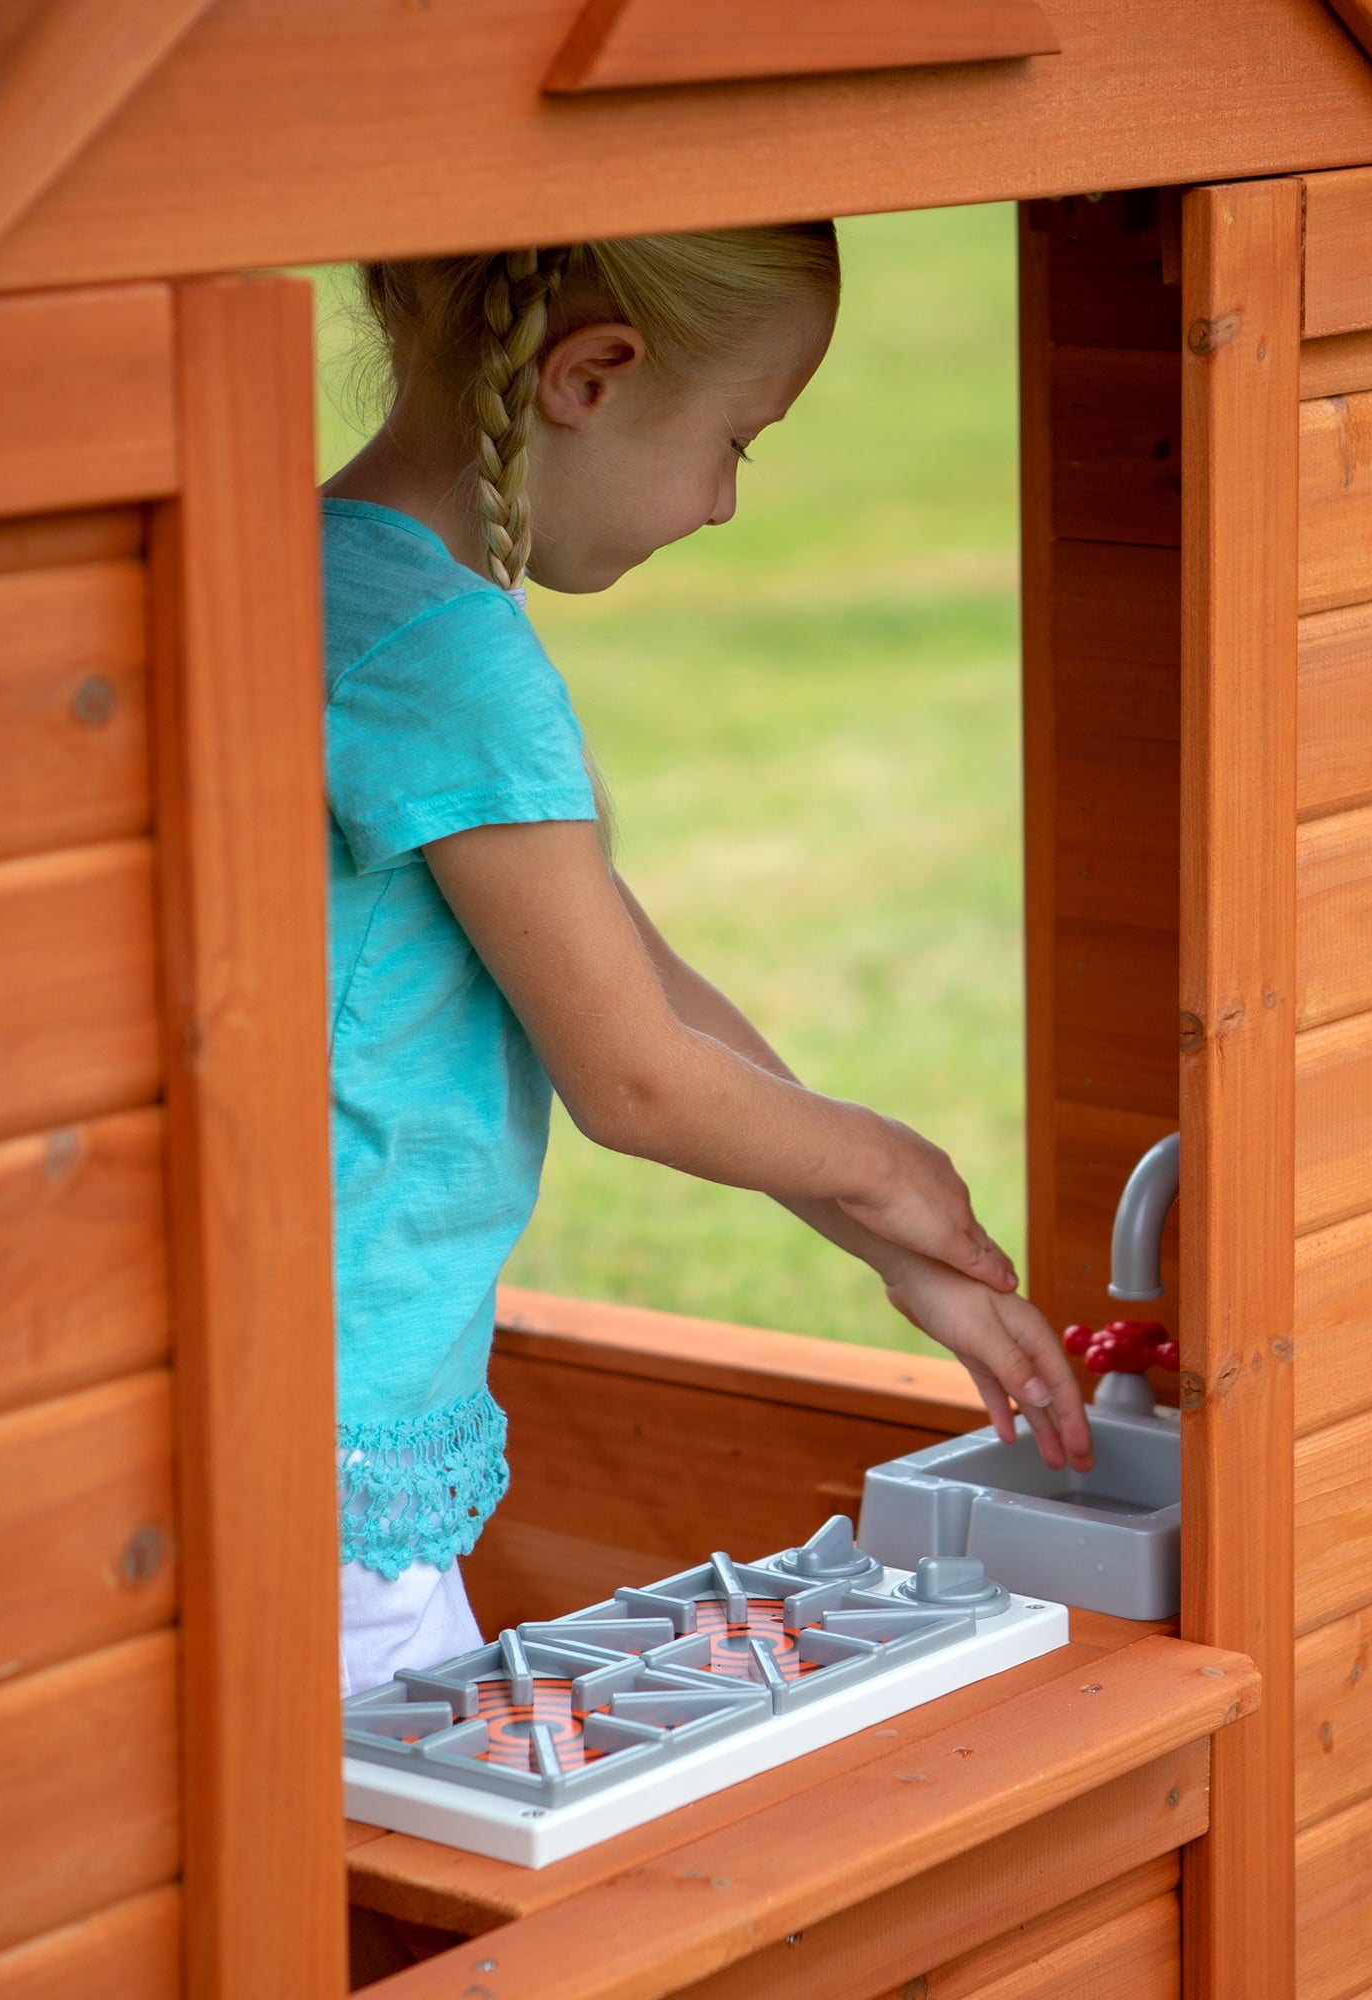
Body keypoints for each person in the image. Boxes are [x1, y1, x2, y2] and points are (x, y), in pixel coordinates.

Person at [320, 227, 1092, 1696]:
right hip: (340, 1433)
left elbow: (635, 972)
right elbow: (634, 1074)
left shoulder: (324, 577)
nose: (730, 501)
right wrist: (880, 1162)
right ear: (588, 380)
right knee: (416, 1864)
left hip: (279, 1399)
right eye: (739, 440)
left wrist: (878, 1241)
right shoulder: (451, 656)